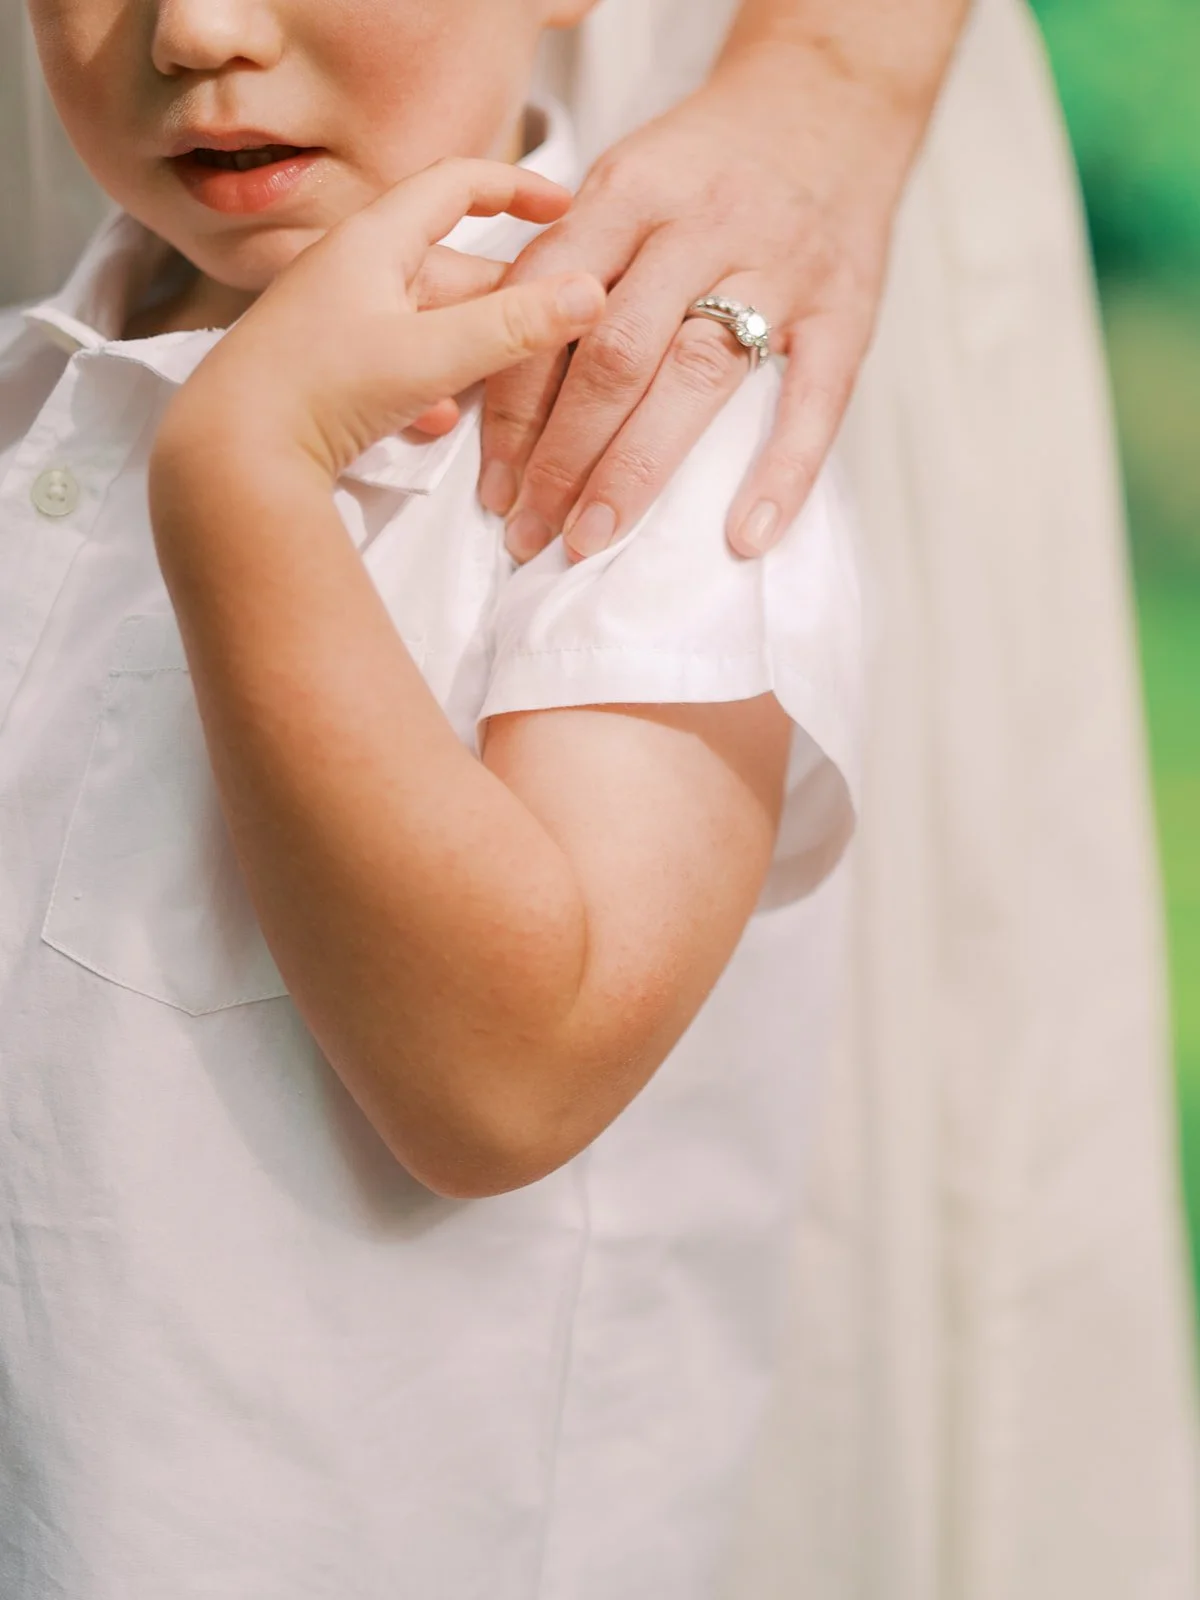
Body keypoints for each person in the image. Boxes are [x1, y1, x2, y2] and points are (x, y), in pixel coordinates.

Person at [2, 2, 1197, 1597]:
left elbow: (512, 1073)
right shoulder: (36, 371)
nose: (199, 29)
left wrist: (244, 489)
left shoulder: (649, 429)